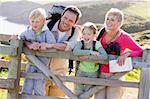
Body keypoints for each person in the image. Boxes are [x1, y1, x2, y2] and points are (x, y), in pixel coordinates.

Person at [95, 8, 143, 99]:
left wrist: (127, 54)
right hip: (99, 74)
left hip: (115, 76)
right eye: (107, 19)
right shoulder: (102, 32)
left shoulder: (124, 37)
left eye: (112, 20)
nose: (108, 22)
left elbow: (141, 51)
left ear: (120, 23)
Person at [41, 5, 82, 96]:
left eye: (71, 20)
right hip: (41, 72)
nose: (66, 22)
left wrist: (50, 45)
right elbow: (31, 33)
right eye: (65, 18)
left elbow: (70, 45)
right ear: (61, 15)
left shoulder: (75, 32)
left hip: (59, 74)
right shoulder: (47, 24)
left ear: (75, 23)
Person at [19, 8, 56, 96]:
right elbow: (21, 38)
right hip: (31, 64)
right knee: (27, 86)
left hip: (42, 65)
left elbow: (53, 45)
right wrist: (28, 44)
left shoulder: (47, 33)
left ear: (43, 21)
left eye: (37, 21)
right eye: (32, 21)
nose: (34, 24)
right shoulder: (28, 32)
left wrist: (44, 45)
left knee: (39, 88)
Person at [73, 22, 107, 97]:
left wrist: (88, 57)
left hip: (93, 72)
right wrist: (90, 52)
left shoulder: (96, 44)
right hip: (81, 71)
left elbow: (104, 56)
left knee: (88, 94)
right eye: (84, 34)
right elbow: (75, 52)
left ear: (94, 35)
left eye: (89, 34)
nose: (86, 36)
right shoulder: (80, 43)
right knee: (78, 92)